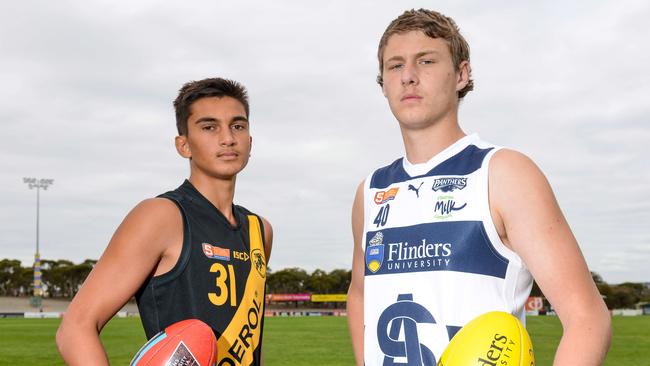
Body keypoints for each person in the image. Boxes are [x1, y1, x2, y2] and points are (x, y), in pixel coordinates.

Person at [346, 9, 611, 366]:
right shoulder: (372, 192)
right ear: (383, 83)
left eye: (425, 61)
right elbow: (360, 294)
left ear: (461, 74)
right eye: (395, 66)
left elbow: (587, 317)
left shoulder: (503, 173)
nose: (408, 76)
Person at [56, 77, 273, 366]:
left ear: (249, 141)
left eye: (238, 125)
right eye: (209, 127)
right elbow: (76, 327)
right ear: (183, 145)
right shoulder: (161, 216)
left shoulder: (260, 231)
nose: (228, 138)